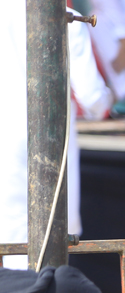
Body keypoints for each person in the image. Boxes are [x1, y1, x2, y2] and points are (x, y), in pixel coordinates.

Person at [0, 7, 112, 270]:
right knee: (49, 243)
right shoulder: (65, 14)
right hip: (48, 140)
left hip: (8, 138)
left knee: (12, 240)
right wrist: (110, 97)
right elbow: (93, 98)